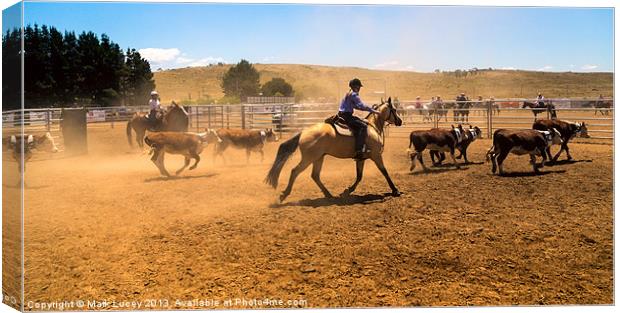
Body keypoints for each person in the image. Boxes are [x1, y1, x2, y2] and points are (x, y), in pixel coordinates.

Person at [338, 78, 380, 160]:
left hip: (342, 115)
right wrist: (373, 111)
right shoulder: (354, 95)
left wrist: (369, 109)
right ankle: (359, 151)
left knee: (359, 123)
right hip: (347, 116)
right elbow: (361, 106)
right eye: (359, 87)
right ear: (356, 86)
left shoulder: (348, 94)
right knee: (363, 126)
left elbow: (357, 106)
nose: (360, 89)